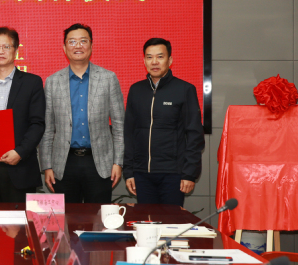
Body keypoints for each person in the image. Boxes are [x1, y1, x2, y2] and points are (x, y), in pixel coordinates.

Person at [39, 24, 125, 203]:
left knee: (99, 216)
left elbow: (119, 126)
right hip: (64, 164)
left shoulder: (108, 78)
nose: (78, 46)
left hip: (99, 162)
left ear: (91, 46)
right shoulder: (53, 82)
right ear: (64, 48)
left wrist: (118, 162)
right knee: (67, 217)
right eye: (72, 42)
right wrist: (47, 166)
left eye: (83, 41)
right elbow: (47, 129)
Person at [123, 38, 205, 206]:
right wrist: (129, 171)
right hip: (141, 173)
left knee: (171, 220)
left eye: (160, 56)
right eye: (149, 57)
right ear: (144, 61)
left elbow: (195, 135)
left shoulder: (185, 89)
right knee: (146, 219)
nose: (154, 62)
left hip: (173, 174)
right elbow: (129, 133)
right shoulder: (136, 90)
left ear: (170, 60)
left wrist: (189, 173)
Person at [0, 27, 46, 203]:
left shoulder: (32, 82)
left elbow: (37, 124)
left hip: (20, 168)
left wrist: (20, 152)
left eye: (6, 47)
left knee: (20, 221)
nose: (0, 51)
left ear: (16, 50)